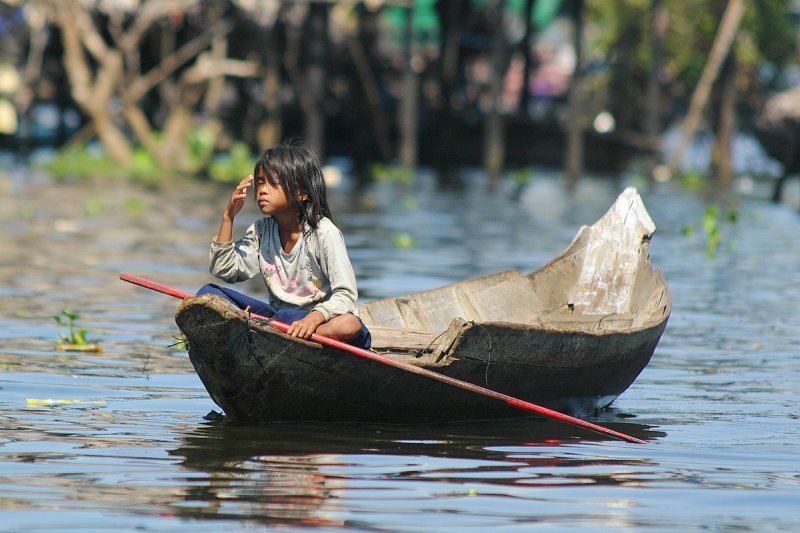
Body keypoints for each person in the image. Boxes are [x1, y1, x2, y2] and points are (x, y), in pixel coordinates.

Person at [196, 142, 371, 349]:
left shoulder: (324, 233)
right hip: (280, 318)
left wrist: (313, 319)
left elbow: (347, 295)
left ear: (302, 193)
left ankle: (286, 334)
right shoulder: (261, 231)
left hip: (323, 320)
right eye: (260, 183)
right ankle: (277, 331)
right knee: (207, 294)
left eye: (272, 184)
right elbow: (224, 269)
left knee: (348, 325)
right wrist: (228, 217)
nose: (262, 191)